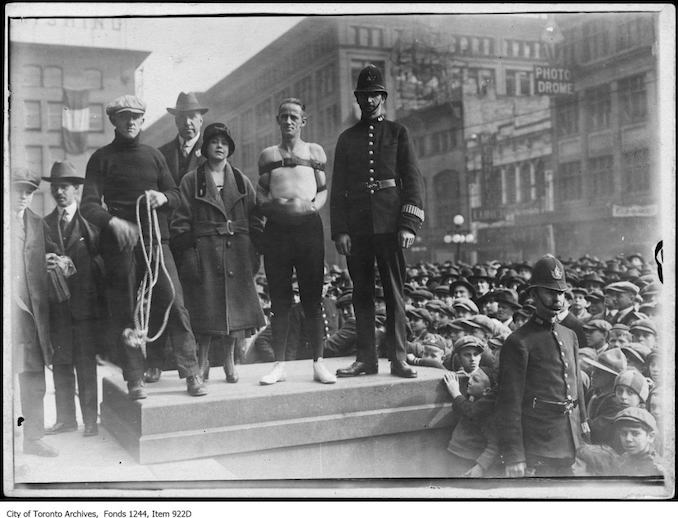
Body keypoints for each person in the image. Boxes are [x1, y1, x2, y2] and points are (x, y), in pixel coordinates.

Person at [80, 94, 206, 400]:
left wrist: (163, 198)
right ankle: (134, 378)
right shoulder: (101, 159)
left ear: (142, 120)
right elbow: (89, 206)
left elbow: (176, 193)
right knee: (127, 310)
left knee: (174, 303)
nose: (131, 122)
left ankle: (191, 373)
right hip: (120, 247)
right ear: (114, 121)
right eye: (124, 117)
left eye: (136, 117)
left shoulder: (153, 156)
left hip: (156, 244)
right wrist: (113, 222)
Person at [331, 64, 425, 379]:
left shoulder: (399, 133)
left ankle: (398, 358)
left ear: (382, 97)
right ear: (357, 99)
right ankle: (366, 360)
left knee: (395, 293)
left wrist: (408, 224)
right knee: (361, 294)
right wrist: (341, 230)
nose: (369, 100)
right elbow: (338, 187)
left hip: (390, 225)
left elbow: (412, 180)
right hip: (357, 228)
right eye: (364, 95)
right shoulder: (346, 139)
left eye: (375, 95)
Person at [170, 122, 266, 383]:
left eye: (224, 142)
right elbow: (179, 221)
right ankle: (202, 362)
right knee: (205, 313)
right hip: (206, 255)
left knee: (235, 316)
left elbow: (256, 216)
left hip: (237, 253)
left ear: (230, 148)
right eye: (214, 141)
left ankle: (228, 362)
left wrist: (253, 250)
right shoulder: (192, 181)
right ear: (205, 147)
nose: (219, 146)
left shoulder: (241, 181)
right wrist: (190, 255)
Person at [256, 97, 335, 385]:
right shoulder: (268, 155)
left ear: (304, 121)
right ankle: (279, 364)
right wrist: (271, 206)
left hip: (308, 229)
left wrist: (313, 206)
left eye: (294, 117)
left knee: (313, 298)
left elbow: (324, 189)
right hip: (277, 229)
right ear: (278, 121)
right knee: (279, 299)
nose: (288, 121)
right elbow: (261, 191)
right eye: (284, 117)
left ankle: (318, 362)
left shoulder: (315, 151)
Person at [496, 254, 589, 477]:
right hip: (539, 444)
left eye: (561, 293)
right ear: (534, 295)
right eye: (550, 292)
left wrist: (583, 420)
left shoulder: (570, 335)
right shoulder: (519, 342)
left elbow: (575, 381)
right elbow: (509, 404)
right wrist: (514, 454)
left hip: (571, 438)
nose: (557, 299)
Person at [42, 161, 105, 437]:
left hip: (84, 307)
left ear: (77, 190)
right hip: (57, 308)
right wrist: (47, 260)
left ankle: (90, 420)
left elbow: (105, 263)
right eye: (55, 188)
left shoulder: (90, 224)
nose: (59, 193)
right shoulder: (44, 225)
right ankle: (66, 419)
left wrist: (82, 265)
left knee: (85, 364)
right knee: (62, 363)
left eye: (64, 187)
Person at [11, 168, 59, 456]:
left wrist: (56, 258)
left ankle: (33, 437)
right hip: (10, 312)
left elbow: (49, 253)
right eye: (18, 190)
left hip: (32, 314)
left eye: (28, 192)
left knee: (33, 378)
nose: (23, 197)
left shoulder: (38, 224)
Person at [442, 366, 499, 477]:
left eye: (475, 380)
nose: (469, 381)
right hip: (454, 454)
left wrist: (481, 466)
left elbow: (494, 445)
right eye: (470, 377)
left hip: (467, 460)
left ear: (487, 391)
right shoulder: (472, 400)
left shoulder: (486, 413)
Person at [158, 92, 209, 185]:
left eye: (192, 116)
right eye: (182, 117)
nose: (187, 122)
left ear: (201, 121)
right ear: (176, 121)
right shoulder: (162, 154)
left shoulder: (212, 151)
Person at [613, 407, 663, 476]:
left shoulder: (658, 470)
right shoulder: (621, 461)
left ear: (650, 437)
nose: (628, 439)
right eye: (624, 433)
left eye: (635, 433)